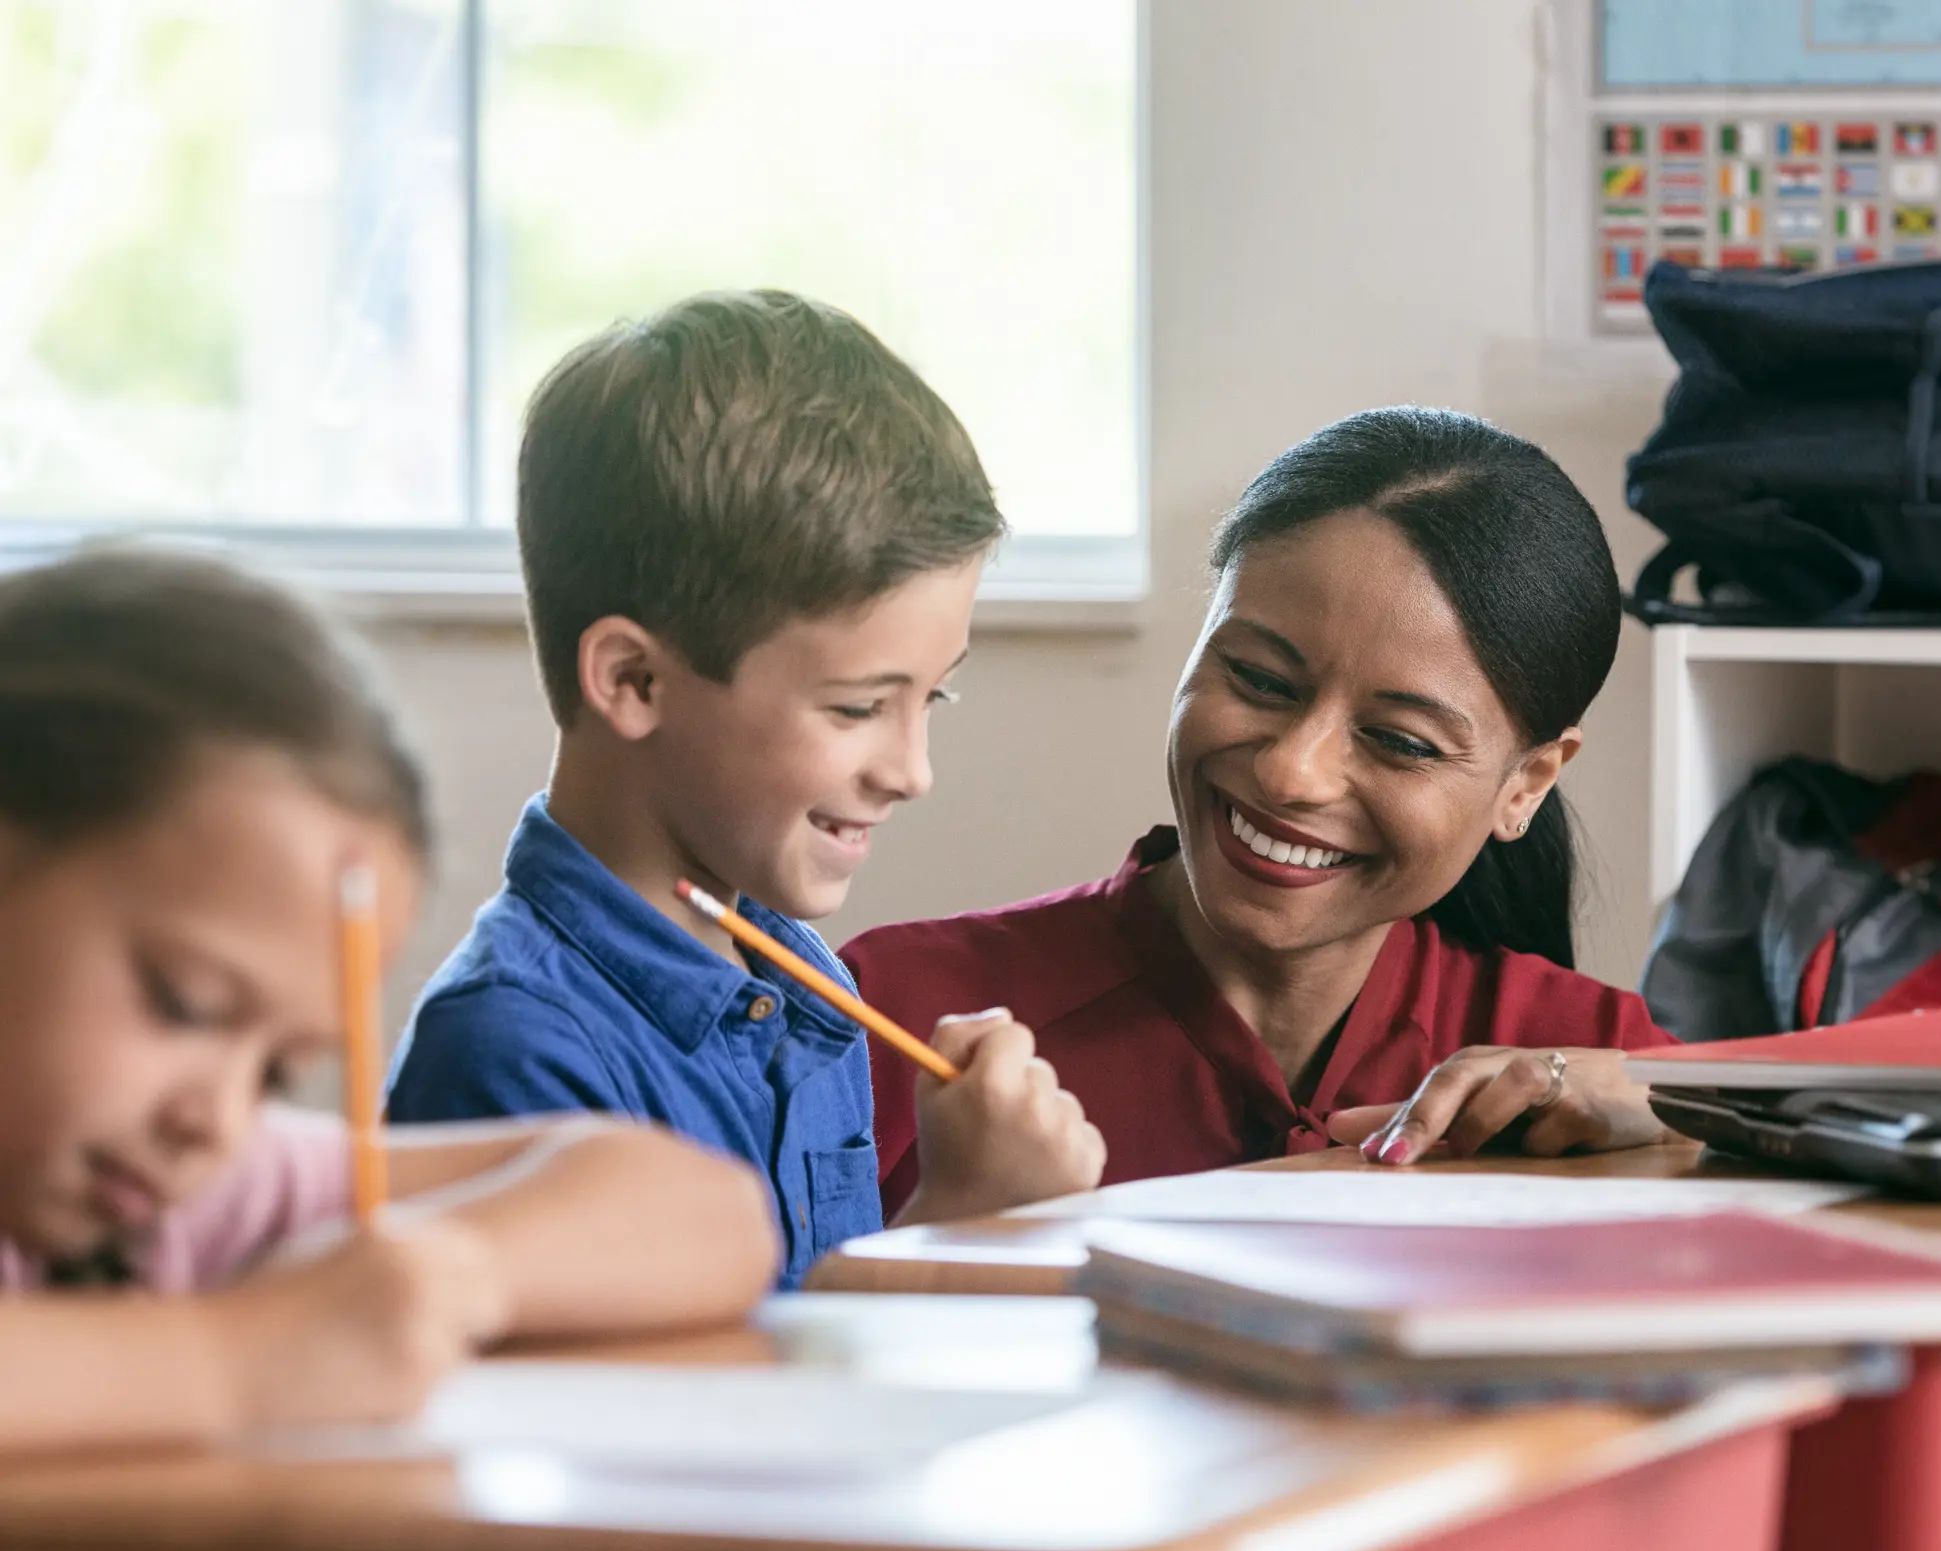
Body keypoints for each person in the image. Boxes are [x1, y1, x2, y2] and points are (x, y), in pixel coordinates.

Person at [386, 291, 1104, 1285]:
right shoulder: (512, 1051)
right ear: (635, 682)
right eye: (858, 709)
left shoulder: (806, 982)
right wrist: (957, 1226)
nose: (912, 772)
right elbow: (684, 1423)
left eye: (932, 697)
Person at [0, 551, 779, 1457]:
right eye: (187, 1004)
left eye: (277, 1073)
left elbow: (706, 1212)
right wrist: (240, 1359)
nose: (211, 1119)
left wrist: (439, 1275)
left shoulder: (172, 1190)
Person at [846, 407, 1675, 1216]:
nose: (1291, 771)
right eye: (1260, 680)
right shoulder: (891, 1015)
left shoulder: (1592, 1056)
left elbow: (1804, 1096)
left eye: (1400, 740)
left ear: (1526, 782)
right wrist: (951, 1223)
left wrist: (1689, 1111)